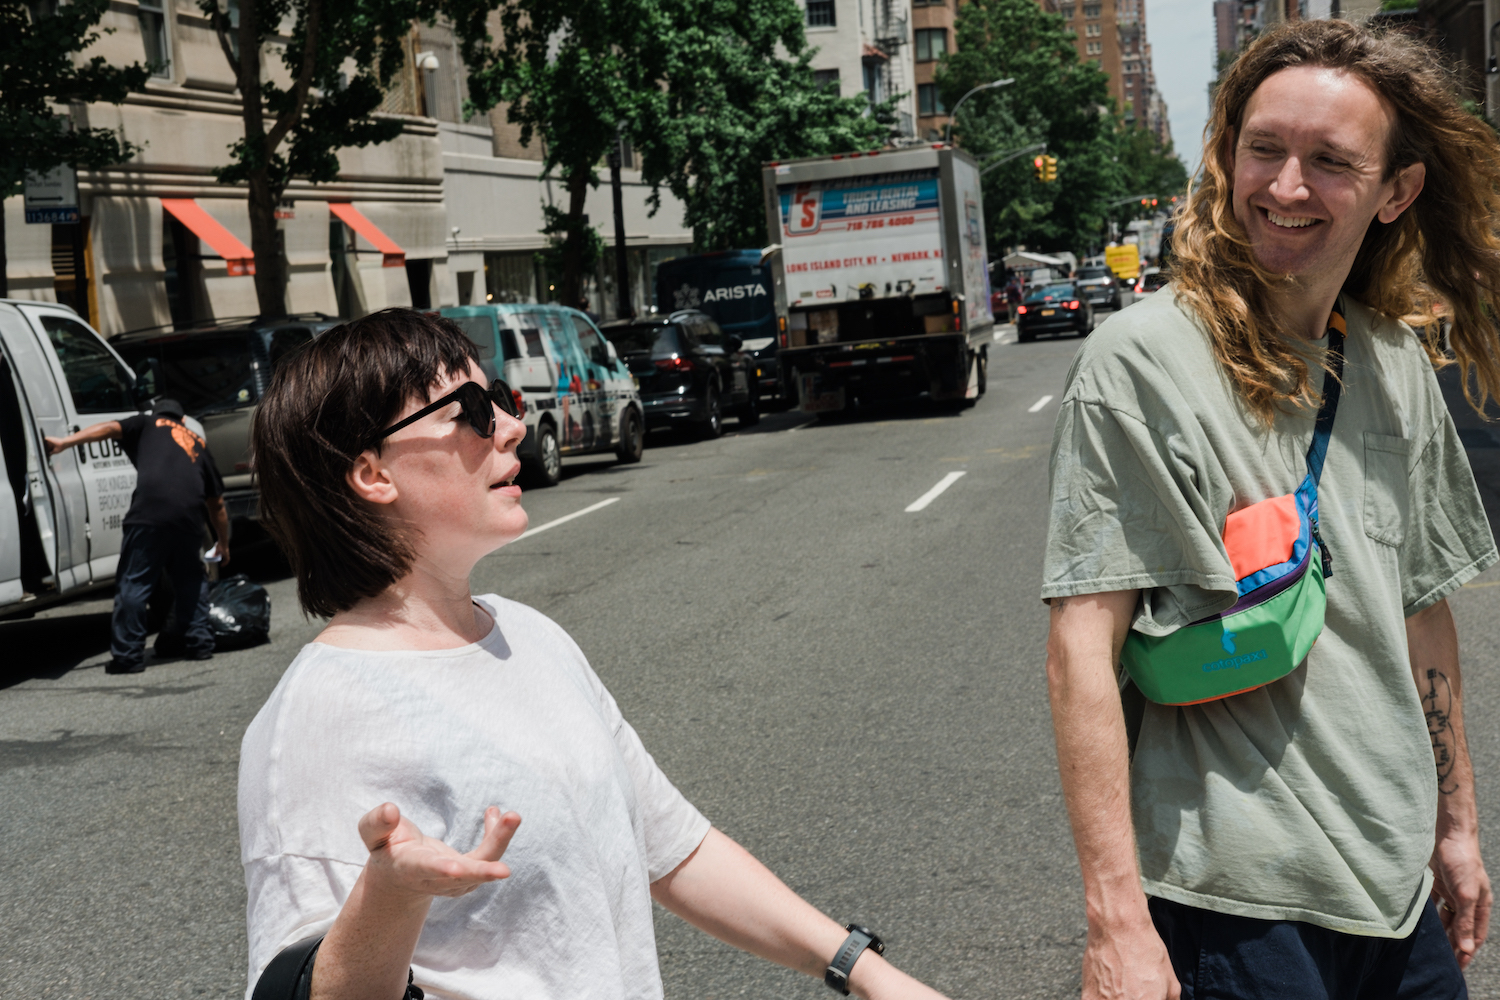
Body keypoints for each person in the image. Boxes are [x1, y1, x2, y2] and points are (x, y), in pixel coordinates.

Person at [240, 309, 949, 1000]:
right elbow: (296, 983)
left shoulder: (526, 634)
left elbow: (672, 848)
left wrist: (866, 972)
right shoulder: (317, 718)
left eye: (501, 398)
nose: (512, 426)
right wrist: (390, 898)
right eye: (472, 412)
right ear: (372, 474)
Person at [1042, 20, 1500, 1000]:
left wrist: (1456, 827)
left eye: (1331, 161)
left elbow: (1421, 611)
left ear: (1395, 193)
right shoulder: (1141, 362)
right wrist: (1116, 922)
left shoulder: (1395, 361)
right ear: (1227, 158)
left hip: (1393, 893)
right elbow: (1082, 645)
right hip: (1234, 902)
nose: (1287, 186)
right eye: (1265, 149)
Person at [45, 398, 228, 674]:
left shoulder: (146, 422)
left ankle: (128, 657)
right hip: (190, 519)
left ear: (156, 413)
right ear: (183, 419)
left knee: (134, 583)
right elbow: (217, 504)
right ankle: (199, 644)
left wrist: (64, 442)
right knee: (191, 581)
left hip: (149, 515)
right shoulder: (197, 441)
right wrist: (223, 544)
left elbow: (109, 428)